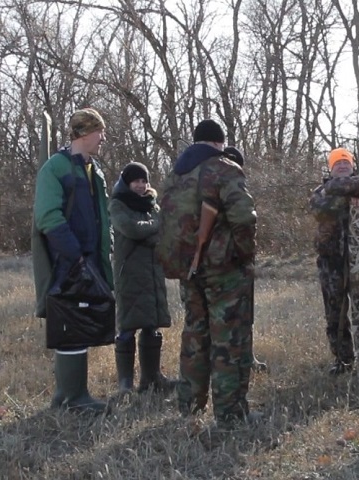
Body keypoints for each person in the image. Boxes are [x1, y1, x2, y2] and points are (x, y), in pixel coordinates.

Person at [161, 119, 258, 428]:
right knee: (229, 340)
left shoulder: (175, 175)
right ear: (219, 142)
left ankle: (189, 404)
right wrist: (244, 254)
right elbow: (243, 215)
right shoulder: (223, 167)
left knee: (195, 334)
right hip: (223, 269)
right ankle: (231, 414)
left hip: (188, 268)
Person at [32, 107, 112, 413]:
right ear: (84, 133)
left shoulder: (94, 170)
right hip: (66, 262)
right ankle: (70, 398)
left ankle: (72, 395)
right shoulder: (56, 168)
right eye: (99, 131)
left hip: (91, 260)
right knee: (69, 324)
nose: (102, 137)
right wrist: (74, 255)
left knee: (80, 323)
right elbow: (48, 217)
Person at [309, 148, 359, 376]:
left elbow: (344, 189)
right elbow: (319, 209)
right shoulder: (318, 192)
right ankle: (343, 361)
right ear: (330, 168)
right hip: (330, 262)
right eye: (338, 164)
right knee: (335, 315)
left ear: (353, 166)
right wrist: (340, 193)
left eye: (346, 162)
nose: (343, 166)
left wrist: (335, 189)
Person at [109, 162, 174, 394]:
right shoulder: (118, 205)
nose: (140, 185)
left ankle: (152, 379)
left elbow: (164, 230)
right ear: (127, 182)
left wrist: (154, 228)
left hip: (152, 272)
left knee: (151, 326)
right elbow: (132, 229)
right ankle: (125, 384)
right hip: (129, 273)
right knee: (127, 326)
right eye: (136, 181)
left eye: (144, 181)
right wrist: (154, 227)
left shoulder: (153, 206)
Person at [223, 146, 269, 374]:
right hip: (224, 262)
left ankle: (248, 357)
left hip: (243, 261)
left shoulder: (240, 188)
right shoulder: (215, 189)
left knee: (246, 314)